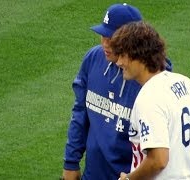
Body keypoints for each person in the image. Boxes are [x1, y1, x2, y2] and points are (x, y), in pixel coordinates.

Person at [61, 4, 172, 180]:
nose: (105, 44)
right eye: (102, 36)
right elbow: (80, 113)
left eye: (111, 38)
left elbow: (158, 152)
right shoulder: (93, 59)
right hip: (93, 175)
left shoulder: (154, 80)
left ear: (133, 42)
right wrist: (70, 163)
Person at [110, 21, 190, 180]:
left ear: (140, 56)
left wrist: (129, 179)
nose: (119, 62)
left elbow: (158, 160)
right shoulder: (185, 83)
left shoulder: (149, 97)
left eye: (123, 55)